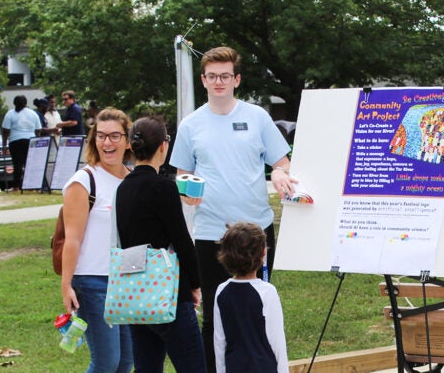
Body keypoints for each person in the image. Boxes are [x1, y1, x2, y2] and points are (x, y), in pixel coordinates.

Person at [169, 45, 296, 372]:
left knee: (258, 309)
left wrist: (281, 174)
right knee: (213, 315)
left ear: (237, 79)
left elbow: (281, 162)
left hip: (256, 231)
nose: (219, 82)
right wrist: (187, 192)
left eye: (225, 76)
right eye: (212, 76)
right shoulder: (191, 124)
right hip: (211, 232)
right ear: (203, 80)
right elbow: (181, 174)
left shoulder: (257, 117)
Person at [115, 116, 206, 372]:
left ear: (132, 147)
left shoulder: (123, 188)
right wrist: (195, 284)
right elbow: (182, 240)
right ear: (164, 146)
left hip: (134, 290)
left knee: (147, 367)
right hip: (167, 291)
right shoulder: (163, 188)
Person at [60, 107, 133, 373]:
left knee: (126, 362)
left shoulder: (133, 179)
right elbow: (72, 239)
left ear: (127, 140)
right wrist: (66, 285)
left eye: (115, 136)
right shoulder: (83, 181)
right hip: (92, 283)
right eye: (101, 136)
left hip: (126, 282)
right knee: (106, 362)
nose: (107, 143)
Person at [214, 222, 288, 373]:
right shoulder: (267, 292)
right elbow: (277, 342)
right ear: (263, 254)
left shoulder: (221, 291)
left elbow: (219, 342)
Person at [1, 95, 41, 191]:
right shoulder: (33, 113)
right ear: (26, 103)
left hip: (15, 140)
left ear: (14, 103)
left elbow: (5, 130)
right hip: (30, 140)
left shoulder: (10, 114)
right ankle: (31, 185)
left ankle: (16, 186)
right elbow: (38, 129)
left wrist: (4, 144)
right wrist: (37, 140)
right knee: (29, 164)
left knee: (17, 164)